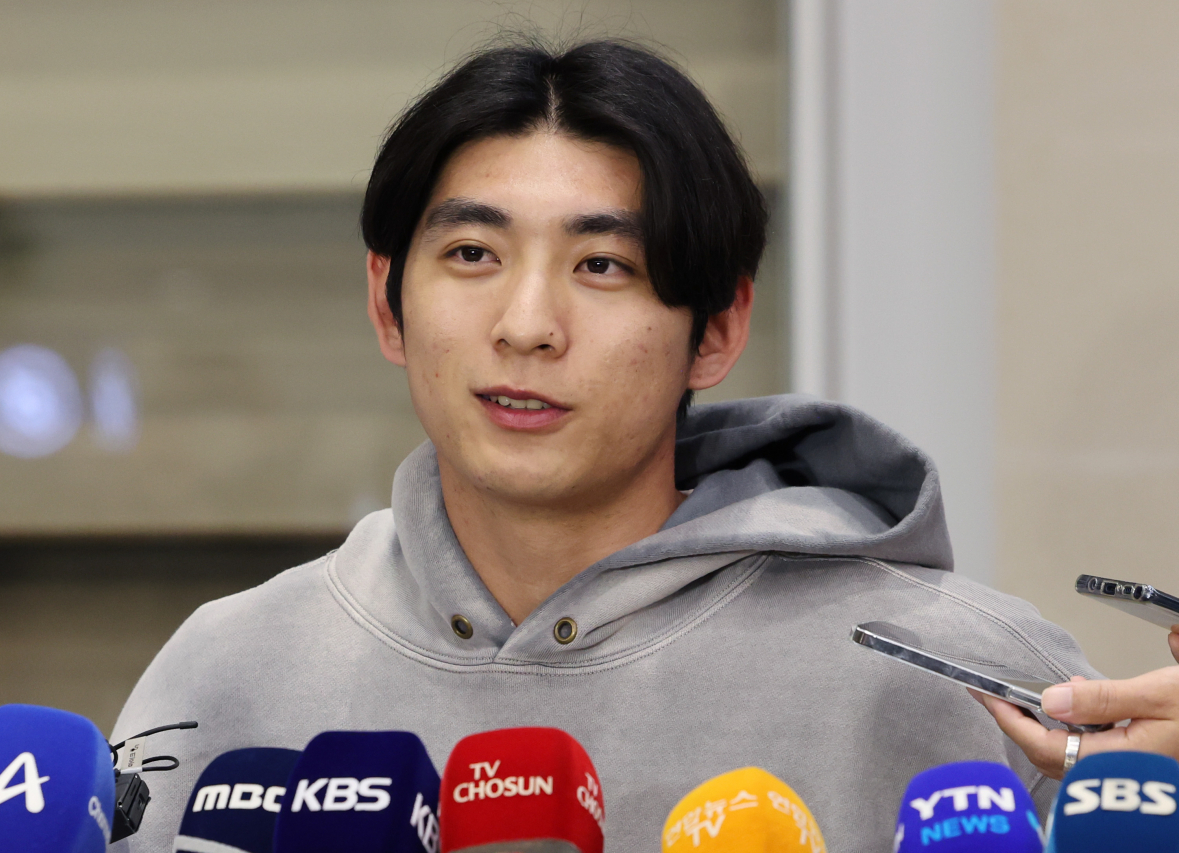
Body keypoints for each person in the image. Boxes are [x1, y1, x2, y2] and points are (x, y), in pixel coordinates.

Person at [107, 39, 1179, 852]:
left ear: (714, 328)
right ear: (387, 306)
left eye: (601, 267)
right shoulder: (233, 667)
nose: (526, 323)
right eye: (472, 252)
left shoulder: (959, 680)